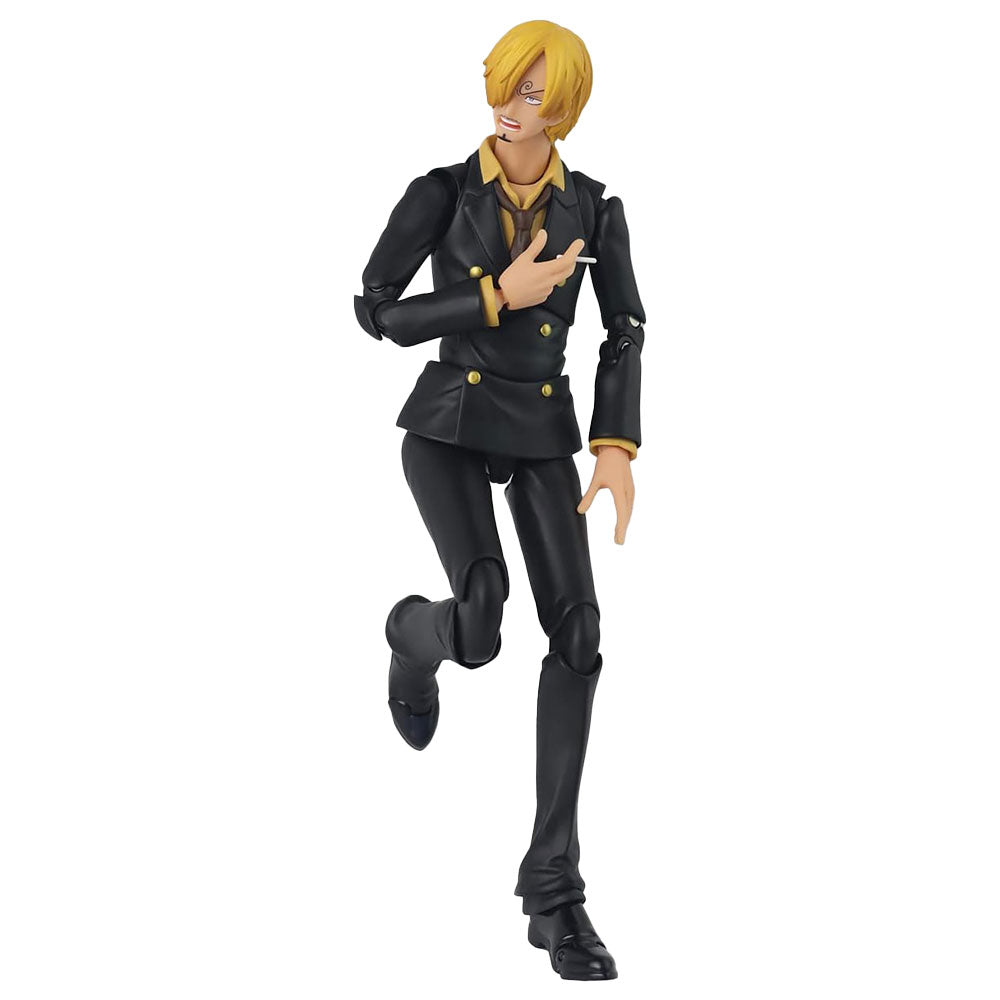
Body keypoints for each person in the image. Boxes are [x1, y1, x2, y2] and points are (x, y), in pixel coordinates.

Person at [353, 20, 645, 981]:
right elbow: (377, 310)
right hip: (448, 420)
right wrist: (493, 297)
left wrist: (614, 444)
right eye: (506, 84)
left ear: (562, 108)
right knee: (481, 622)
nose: (510, 106)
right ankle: (411, 638)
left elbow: (624, 329)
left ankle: (553, 890)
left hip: (541, 426)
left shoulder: (594, 208)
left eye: (533, 94)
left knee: (580, 633)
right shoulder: (443, 193)